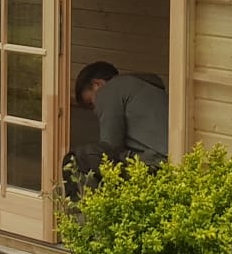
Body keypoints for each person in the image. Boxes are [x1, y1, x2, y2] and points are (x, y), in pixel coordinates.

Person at [63, 60, 168, 196]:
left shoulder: (109, 90)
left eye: (91, 103)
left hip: (154, 164)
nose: (95, 110)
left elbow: (110, 148)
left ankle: (85, 209)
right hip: (168, 161)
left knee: (76, 160)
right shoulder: (144, 88)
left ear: (97, 84)